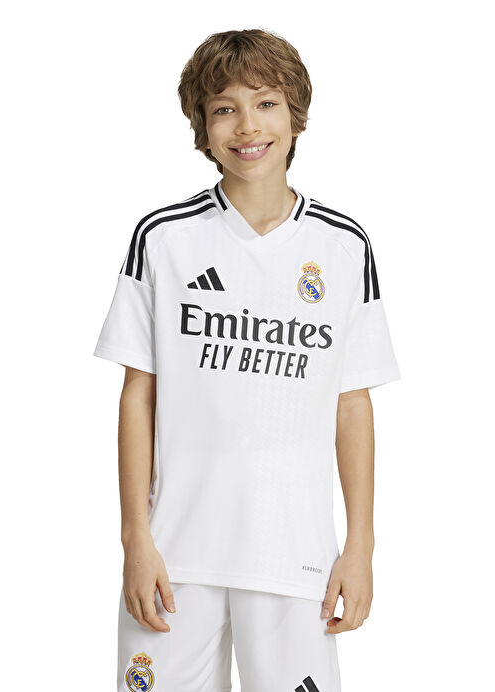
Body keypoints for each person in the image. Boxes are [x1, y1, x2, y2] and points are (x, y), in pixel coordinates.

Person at [93, 28, 401, 692]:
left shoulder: (343, 246)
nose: (247, 126)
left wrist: (361, 546)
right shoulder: (163, 238)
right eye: (224, 109)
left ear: (295, 117)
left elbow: (351, 403)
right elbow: (138, 395)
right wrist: (135, 539)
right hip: (175, 557)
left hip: (296, 559)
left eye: (265, 103)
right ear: (202, 129)